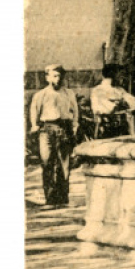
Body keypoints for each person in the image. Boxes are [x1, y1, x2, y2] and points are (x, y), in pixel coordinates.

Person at [28, 64, 79, 206]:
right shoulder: (41, 95)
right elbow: (34, 111)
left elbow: (75, 111)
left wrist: (74, 125)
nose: (58, 79)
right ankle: (50, 199)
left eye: (60, 76)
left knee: (64, 165)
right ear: (47, 77)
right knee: (47, 163)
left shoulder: (69, 93)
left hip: (64, 129)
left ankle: (63, 198)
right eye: (55, 75)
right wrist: (34, 125)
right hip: (47, 130)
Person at [90, 63, 135, 138]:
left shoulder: (119, 89)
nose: (122, 78)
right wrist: (120, 103)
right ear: (113, 75)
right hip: (107, 129)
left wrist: (122, 103)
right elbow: (109, 108)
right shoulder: (99, 90)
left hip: (124, 128)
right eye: (120, 75)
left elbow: (133, 104)